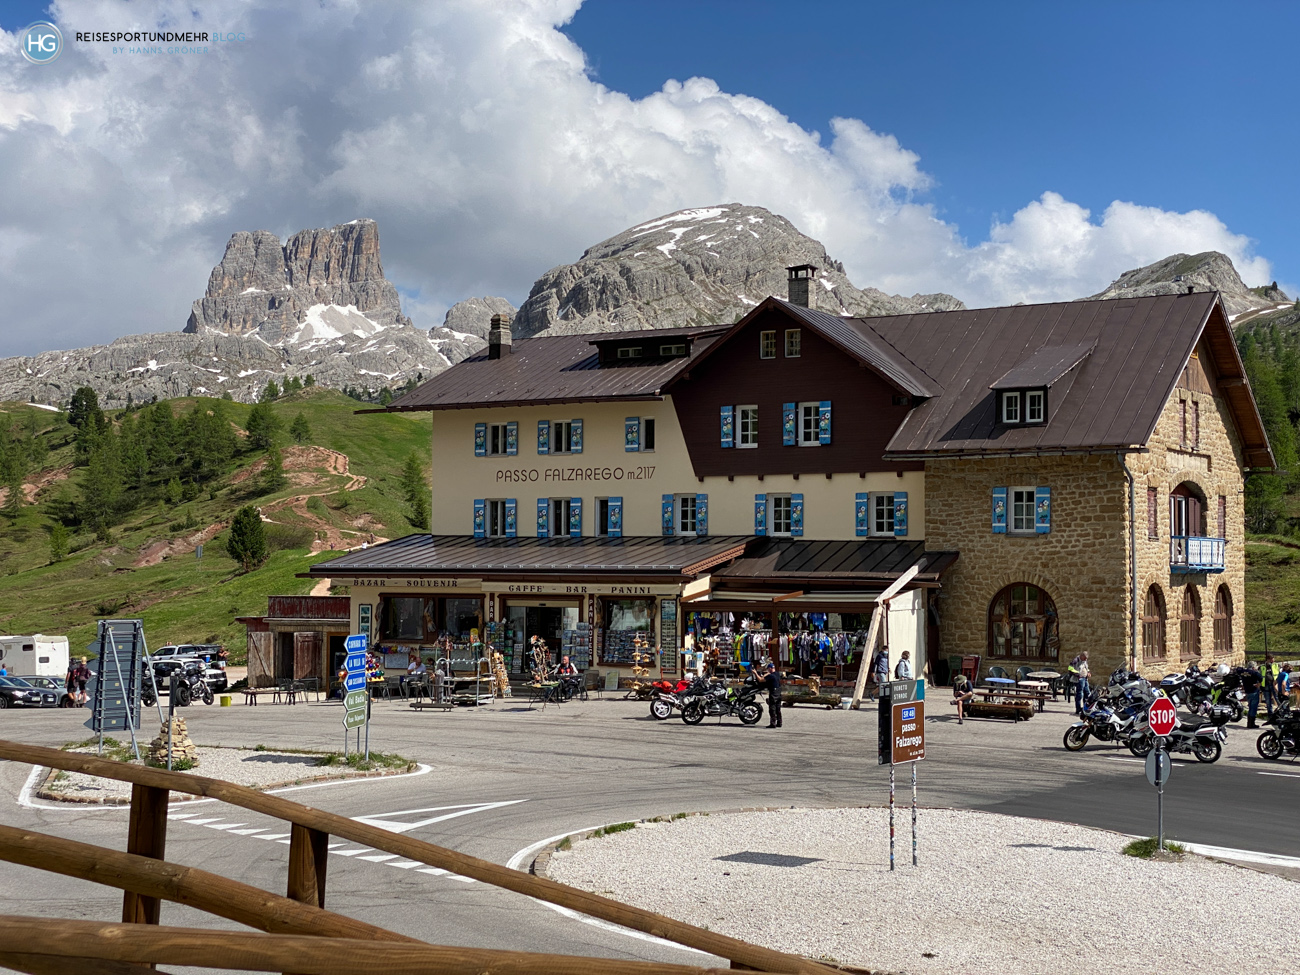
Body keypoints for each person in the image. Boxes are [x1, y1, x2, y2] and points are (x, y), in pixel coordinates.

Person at [1243, 661, 1263, 729]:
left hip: (1247, 691)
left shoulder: (1244, 673)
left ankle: (1249, 723)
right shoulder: (1254, 672)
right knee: (1253, 708)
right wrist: (1258, 684)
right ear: (1254, 667)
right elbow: (1261, 678)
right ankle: (1252, 724)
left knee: (1250, 707)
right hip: (1254, 691)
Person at [763, 663, 782, 728]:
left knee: (772, 708)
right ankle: (779, 722)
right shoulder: (777, 674)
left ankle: (773, 723)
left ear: (770, 668)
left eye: (768, 669)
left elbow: (761, 679)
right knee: (778, 708)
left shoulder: (771, 676)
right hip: (779, 692)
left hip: (773, 692)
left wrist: (755, 673)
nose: (768, 670)